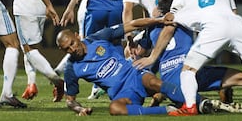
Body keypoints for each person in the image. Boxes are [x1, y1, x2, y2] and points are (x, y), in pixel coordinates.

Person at [56, 17, 186, 116]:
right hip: (121, 92)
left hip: (135, 75)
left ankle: (198, 103)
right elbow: (70, 100)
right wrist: (80, 109)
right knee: (114, 108)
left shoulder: (98, 38)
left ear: (77, 36)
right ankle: (166, 110)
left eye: (72, 43)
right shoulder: (71, 68)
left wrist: (160, 20)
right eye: (67, 49)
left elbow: (132, 24)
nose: (72, 49)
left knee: (154, 82)